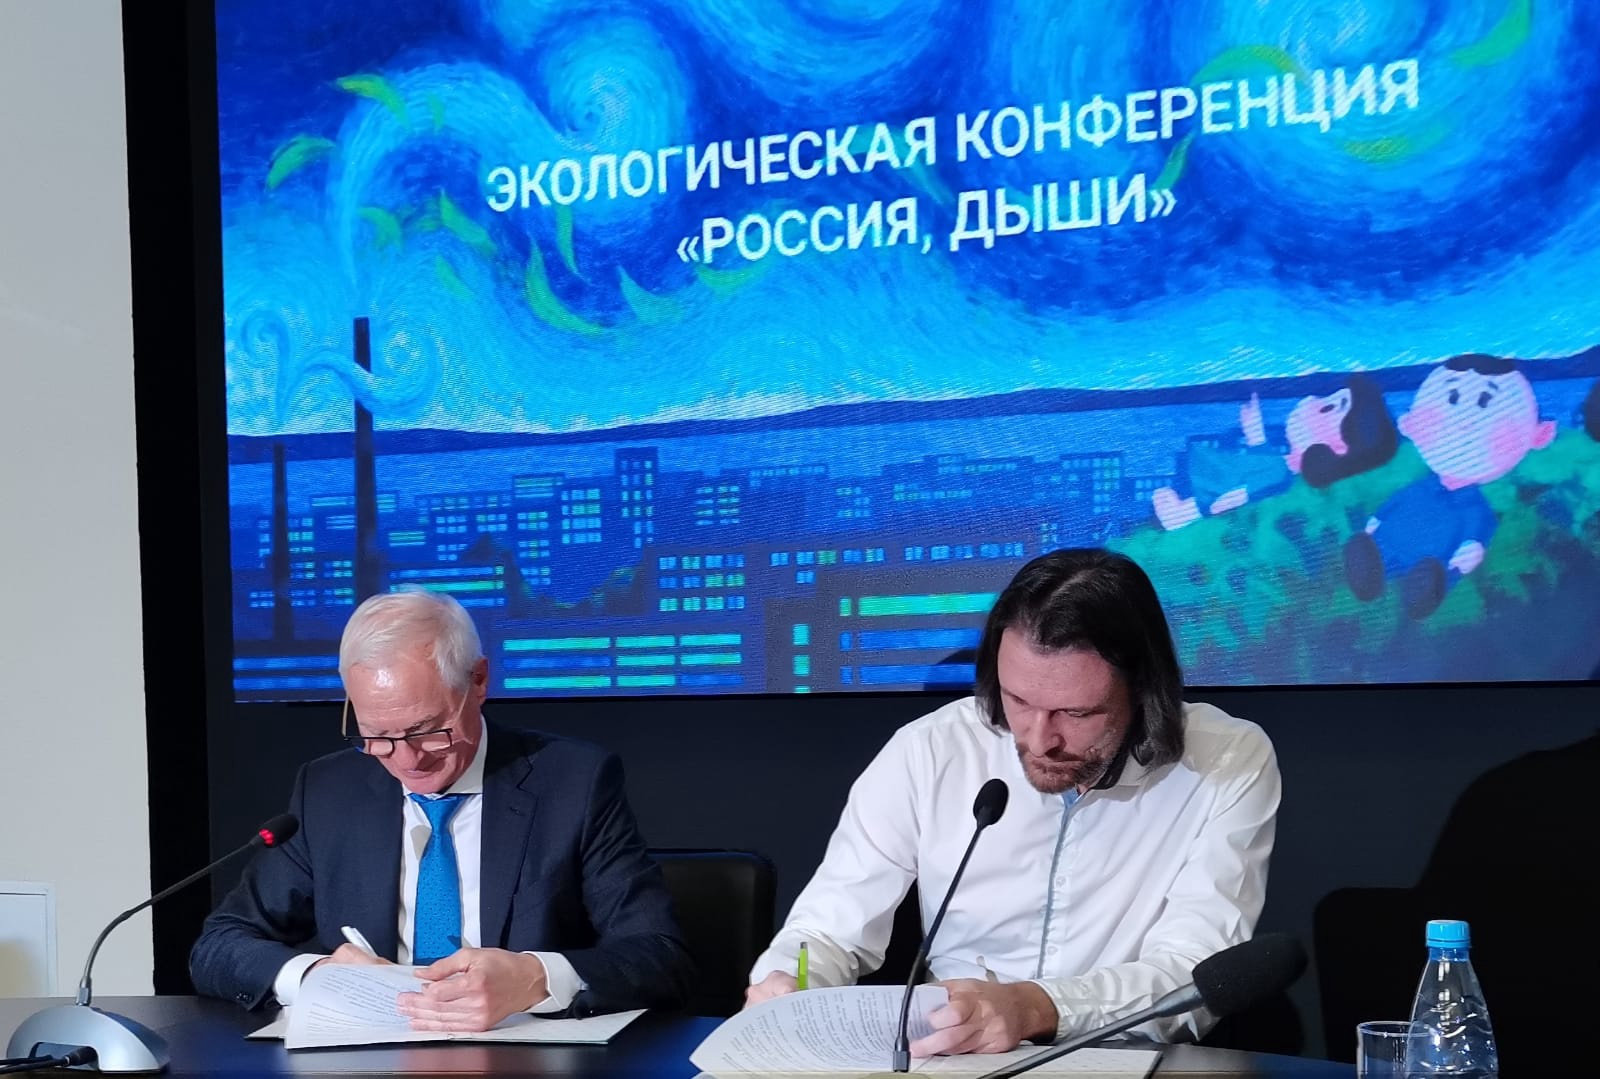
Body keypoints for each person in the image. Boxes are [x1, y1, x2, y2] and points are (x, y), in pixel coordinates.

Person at [745, 548, 1280, 1054]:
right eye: (1018, 699)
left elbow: (1195, 977)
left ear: (1144, 689)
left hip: (1125, 1061)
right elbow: (826, 930)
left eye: (1075, 713)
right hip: (952, 1056)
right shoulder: (930, 750)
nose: (1039, 739)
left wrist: (1033, 1007)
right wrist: (789, 984)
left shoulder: (1226, 760)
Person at [190, 589, 692, 1029]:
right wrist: (317, 974)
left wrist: (537, 978)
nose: (407, 760)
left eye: (428, 730)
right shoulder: (329, 790)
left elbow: (660, 955)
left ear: (479, 681)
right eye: (377, 736)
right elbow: (220, 945)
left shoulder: (574, 782)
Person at [1343, 354, 1556, 619]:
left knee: (1430, 576)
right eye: (1452, 397)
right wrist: (1372, 527)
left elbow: (1473, 542)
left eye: (1484, 401)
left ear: (1539, 435)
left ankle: (1422, 594)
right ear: (1409, 423)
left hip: (1431, 563)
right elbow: (1393, 505)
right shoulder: (1419, 488)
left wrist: (1462, 563)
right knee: (1379, 556)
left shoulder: (1476, 510)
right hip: (1388, 543)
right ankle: (1369, 571)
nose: (1464, 421)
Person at [1152, 374, 1398, 530]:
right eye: (1329, 397)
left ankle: (1178, 515)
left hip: (1219, 493)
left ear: (1339, 449)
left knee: (1208, 491)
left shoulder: (1281, 475)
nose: (1314, 399)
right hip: (1230, 483)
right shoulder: (1284, 468)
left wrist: (1207, 509)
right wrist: (1255, 431)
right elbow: (1263, 460)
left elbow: (1238, 495)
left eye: (1331, 407)